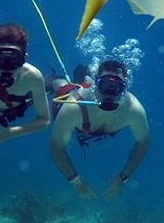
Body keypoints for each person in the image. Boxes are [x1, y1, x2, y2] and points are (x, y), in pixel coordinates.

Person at [50, 60, 150, 200]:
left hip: (88, 99)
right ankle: (60, 79)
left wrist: (124, 176)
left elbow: (143, 142)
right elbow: (55, 146)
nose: (109, 93)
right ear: (97, 84)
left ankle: (86, 76)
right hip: (77, 97)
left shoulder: (133, 110)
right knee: (60, 85)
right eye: (104, 85)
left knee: (85, 81)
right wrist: (75, 181)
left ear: (125, 88)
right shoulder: (73, 107)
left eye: (116, 87)